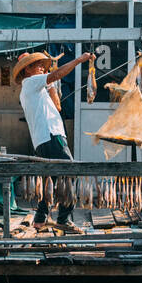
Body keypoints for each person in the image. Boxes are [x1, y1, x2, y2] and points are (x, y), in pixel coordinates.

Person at [12, 49, 96, 228]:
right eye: (38, 66)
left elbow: (57, 106)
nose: (42, 68)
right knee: (70, 173)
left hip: (45, 138)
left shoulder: (36, 88)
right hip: (51, 136)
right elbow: (57, 74)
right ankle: (63, 219)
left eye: (43, 66)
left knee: (53, 178)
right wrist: (79, 60)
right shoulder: (30, 82)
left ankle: (40, 219)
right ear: (27, 69)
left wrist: (50, 86)